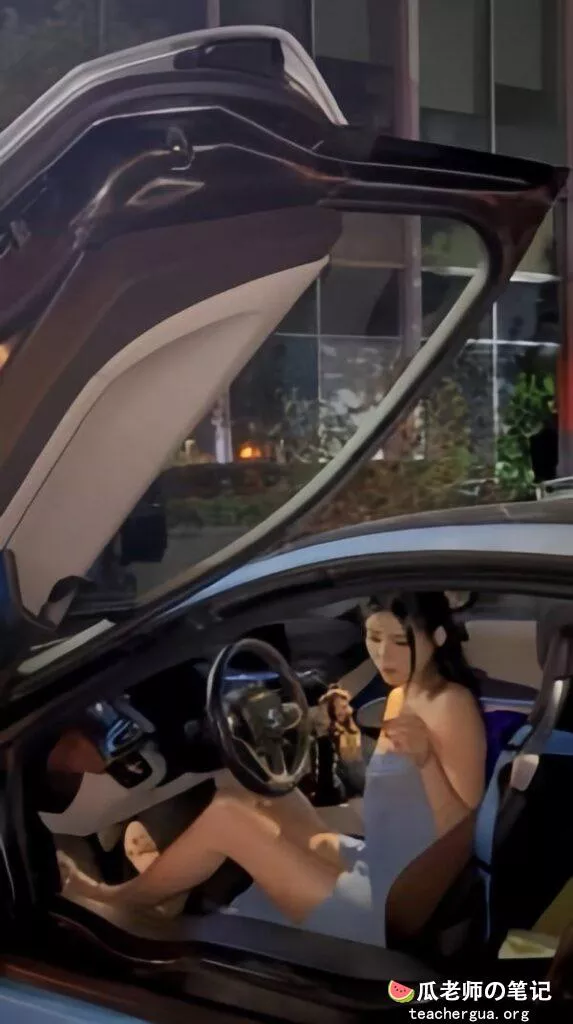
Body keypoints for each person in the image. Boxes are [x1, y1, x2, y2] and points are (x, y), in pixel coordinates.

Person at [58, 591, 487, 947]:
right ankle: (169, 890)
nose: (383, 654)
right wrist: (343, 734)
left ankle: (119, 900)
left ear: (438, 637)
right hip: (375, 861)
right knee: (254, 791)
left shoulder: (452, 705)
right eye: (375, 638)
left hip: (392, 904)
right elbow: (390, 791)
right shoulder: (399, 695)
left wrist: (427, 762)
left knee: (228, 818)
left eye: (400, 642)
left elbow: (464, 831)